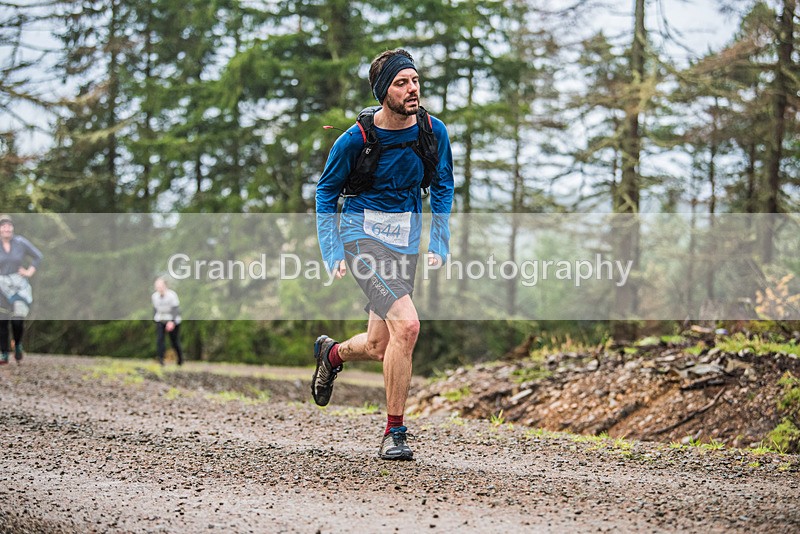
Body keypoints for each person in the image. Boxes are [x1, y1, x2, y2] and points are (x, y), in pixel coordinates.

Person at [312, 49, 454, 460]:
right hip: (361, 238)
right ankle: (395, 433)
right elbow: (326, 192)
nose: (413, 89)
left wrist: (439, 241)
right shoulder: (355, 139)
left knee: (379, 344)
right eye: (401, 83)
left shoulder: (433, 131)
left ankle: (331, 353)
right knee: (407, 326)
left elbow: (442, 185)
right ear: (382, 93)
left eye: (414, 80)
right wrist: (332, 246)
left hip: (404, 242)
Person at [0, 215, 43, 365]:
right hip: (1, 285)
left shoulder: (20, 243)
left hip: (18, 285)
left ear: (12, 228)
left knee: (18, 319)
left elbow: (38, 256)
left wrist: (29, 271)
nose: (6, 228)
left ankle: (17, 343)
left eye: (9, 225)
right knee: (2, 321)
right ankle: (4, 353)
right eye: (3, 226)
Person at [151, 277, 184, 366]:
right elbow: (155, 309)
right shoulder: (155, 296)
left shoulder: (172, 295)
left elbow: (176, 309)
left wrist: (171, 322)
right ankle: (161, 360)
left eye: (160, 285)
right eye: (157, 286)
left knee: (174, 341)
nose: (159, 288)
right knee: (160, 340)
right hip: (161, 319)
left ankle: (180, 359)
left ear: (165, 286)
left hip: (172, 319)